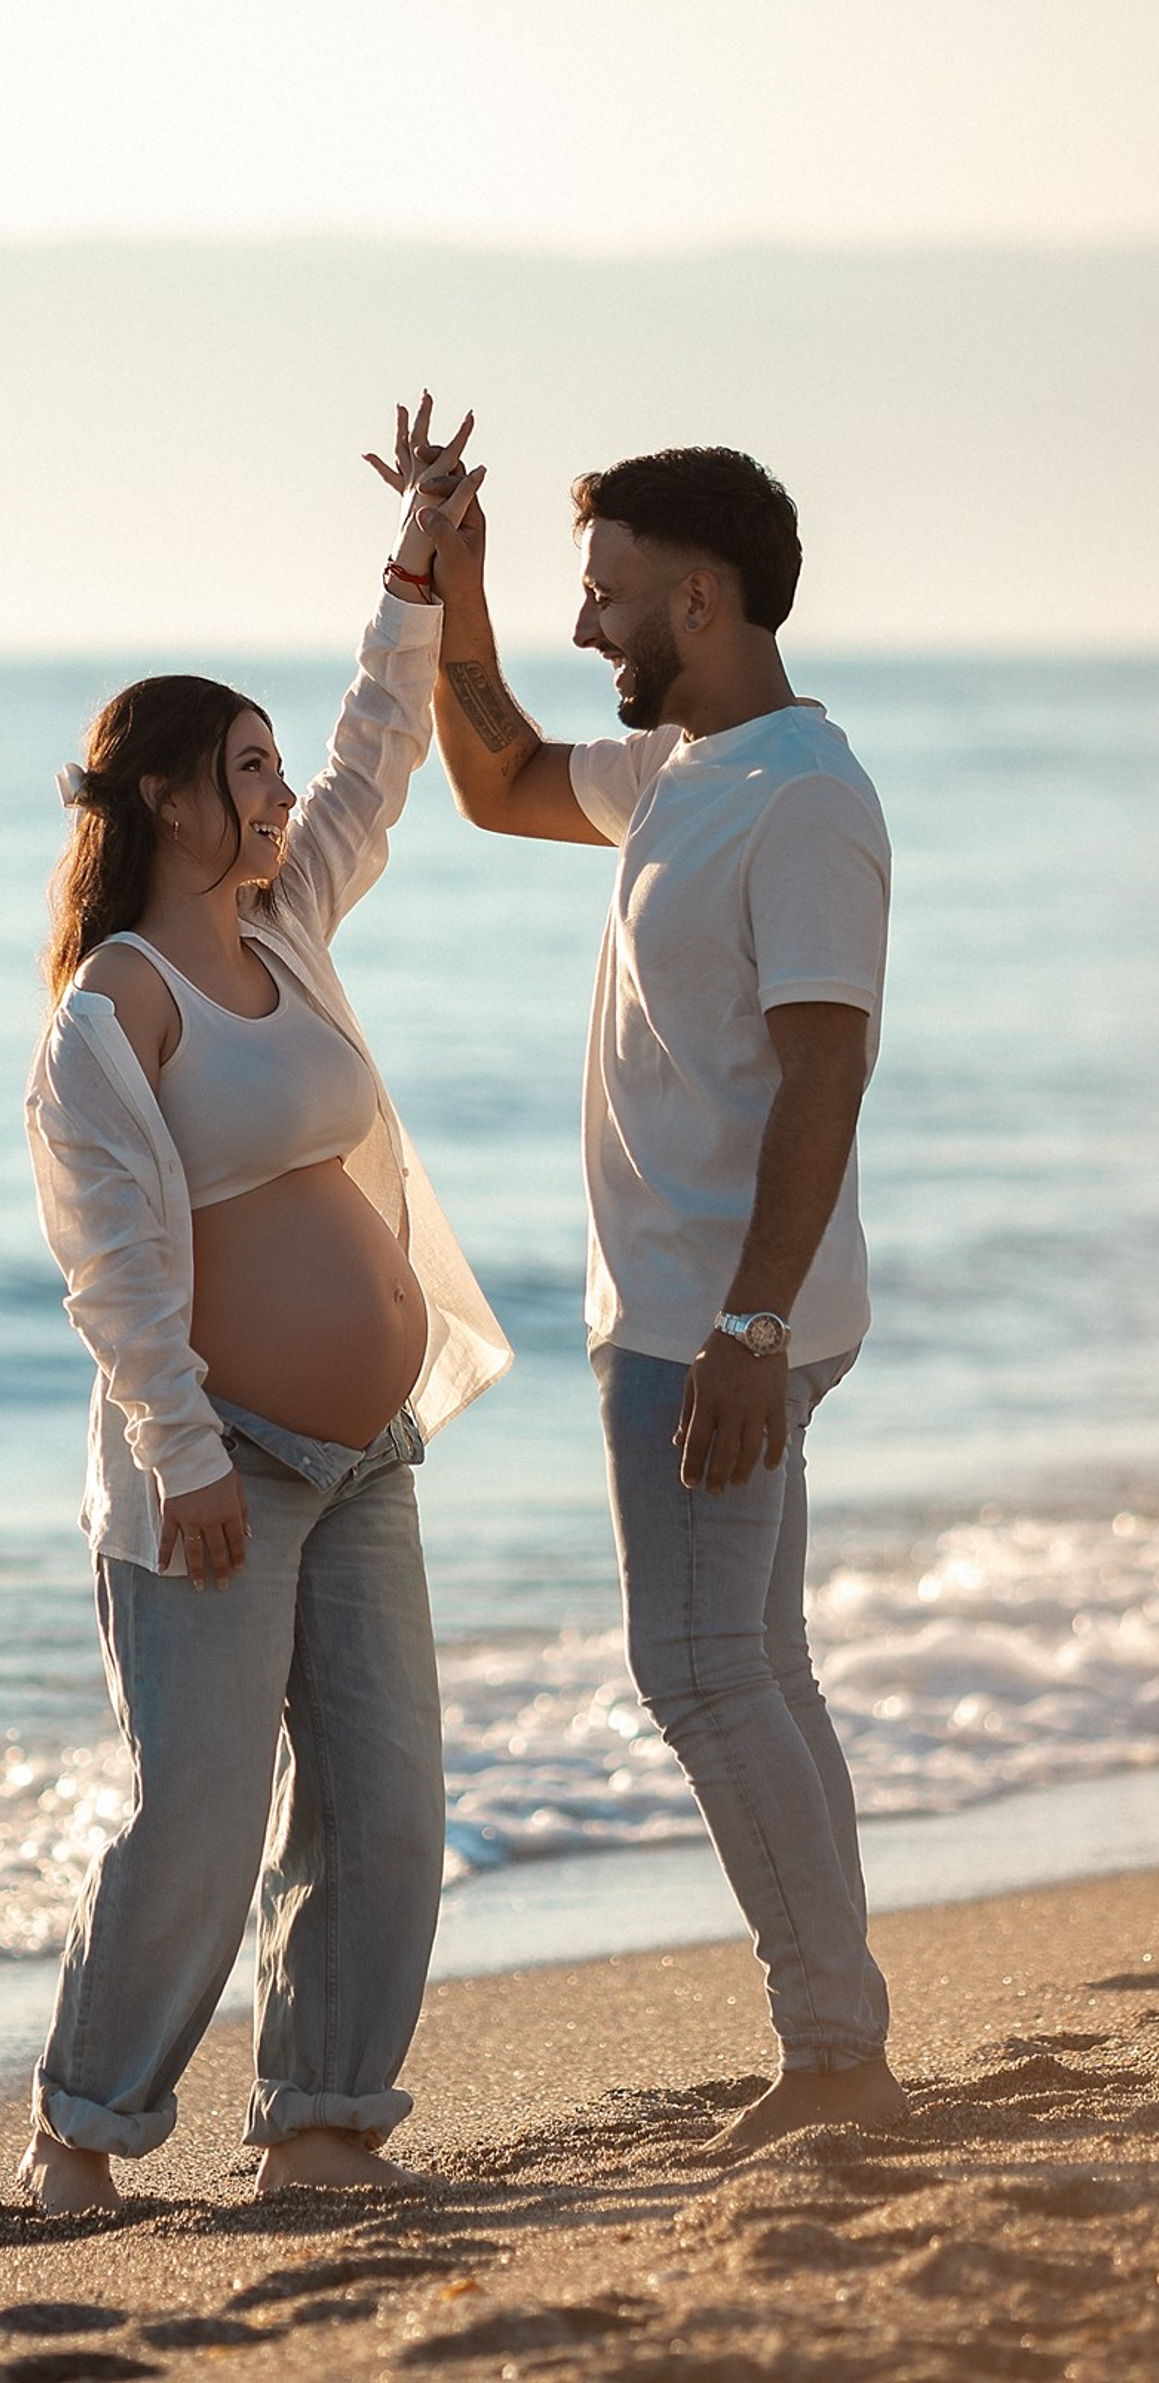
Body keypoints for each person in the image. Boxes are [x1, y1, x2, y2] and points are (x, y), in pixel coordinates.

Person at [18, 401, 511, 2211]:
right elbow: (117, 1267)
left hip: (365, 1452)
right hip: (216, 1470)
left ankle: (320, 2125)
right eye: (244, 770)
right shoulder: (117, 1010)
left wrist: (414, 573)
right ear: (160, 796)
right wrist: (184, 1453)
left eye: (271, 766)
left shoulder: (286, 922)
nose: (280, 792)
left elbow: (385, 751)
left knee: (388, 1809)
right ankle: (83, 2128)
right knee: (200, 1825)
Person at [411, 440, 905, 2153]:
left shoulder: (804, 800)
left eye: (609, 591)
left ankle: (836, 2052)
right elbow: (494, 778)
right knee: (760, 1667)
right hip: (706, 1310)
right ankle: (844, 2034)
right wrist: (449, 578)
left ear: (704, 598)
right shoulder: (684, 770)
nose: (584, 619)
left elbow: (827, 1077)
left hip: (719, 1322)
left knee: (700, 1674)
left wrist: (750, 1332)